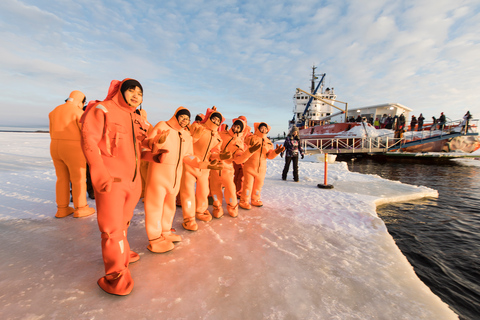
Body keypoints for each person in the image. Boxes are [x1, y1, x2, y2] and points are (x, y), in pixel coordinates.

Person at [81, 78, 149, 296]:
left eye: (140, 92)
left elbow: (137, 148)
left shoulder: (135, 117)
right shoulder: (102, 109)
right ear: (121, 91)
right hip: (112, 181)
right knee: (111, 229)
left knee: (124, 223)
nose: (136, 95)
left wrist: (154, 155)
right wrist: (99, 172)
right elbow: (89, 141)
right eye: (132, 90)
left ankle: (123, 253)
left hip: (133, 182)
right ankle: (116, 276)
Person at [144, 107, 221, 249]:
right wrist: (157, 142)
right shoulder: (162, 125)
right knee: (155, 206)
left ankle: (166, 232)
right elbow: (147, 143)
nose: (185, 120)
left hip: (175, 177)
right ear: (176, 116)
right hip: (159, 174)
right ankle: (155, 238)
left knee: (170, 206)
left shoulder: (185, 135)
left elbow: (188, 156)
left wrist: (205, 164)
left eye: (187, 118)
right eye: (182, 117)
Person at [49, 90, 95, 218]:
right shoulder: (78, 112)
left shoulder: (54, 111)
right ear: (81, 101)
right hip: (73, 148)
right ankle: (81, 208)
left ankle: (62, 209)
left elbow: (51, 130)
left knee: (62, 179)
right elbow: (86, 133)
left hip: (55, 146)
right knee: (78, 178)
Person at [180, 107, 226, 231]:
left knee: (203, 192)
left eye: (218, 120)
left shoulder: (218, 137)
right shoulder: (197, 127)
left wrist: (221, 156)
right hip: (190, 164)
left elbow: (215, 152)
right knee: (188, 192)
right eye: (214, 118)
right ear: (209, 118)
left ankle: (201, 211)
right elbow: (186, 139)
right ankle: (188, 218)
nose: (216, 121)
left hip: (205, 167)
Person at [209, 117, 260, 218]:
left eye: (238, 127)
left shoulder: (239, 142)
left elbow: (238, 159)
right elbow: (213, 148)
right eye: (235, 126)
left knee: (230, 189)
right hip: (215, 168)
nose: (235, 128)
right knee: (215, 190)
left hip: (227, 169)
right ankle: (217, 207)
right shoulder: (222, 134)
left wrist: (249, 152)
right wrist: (218, 155)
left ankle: (232, 206)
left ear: (241, 129)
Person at [239, 122, 285, 209]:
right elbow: (244, 147)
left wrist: (276, 152)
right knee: (248, 185)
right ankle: (244, 201)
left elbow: (269, 156)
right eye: (262, 128)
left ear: (267, 130)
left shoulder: (268, 142)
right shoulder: (251, 138)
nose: (263, 130)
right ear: (258, 129)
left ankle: (255, 199)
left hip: (261, 168)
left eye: (265, 128)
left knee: (258, 185)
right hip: (249, 166)